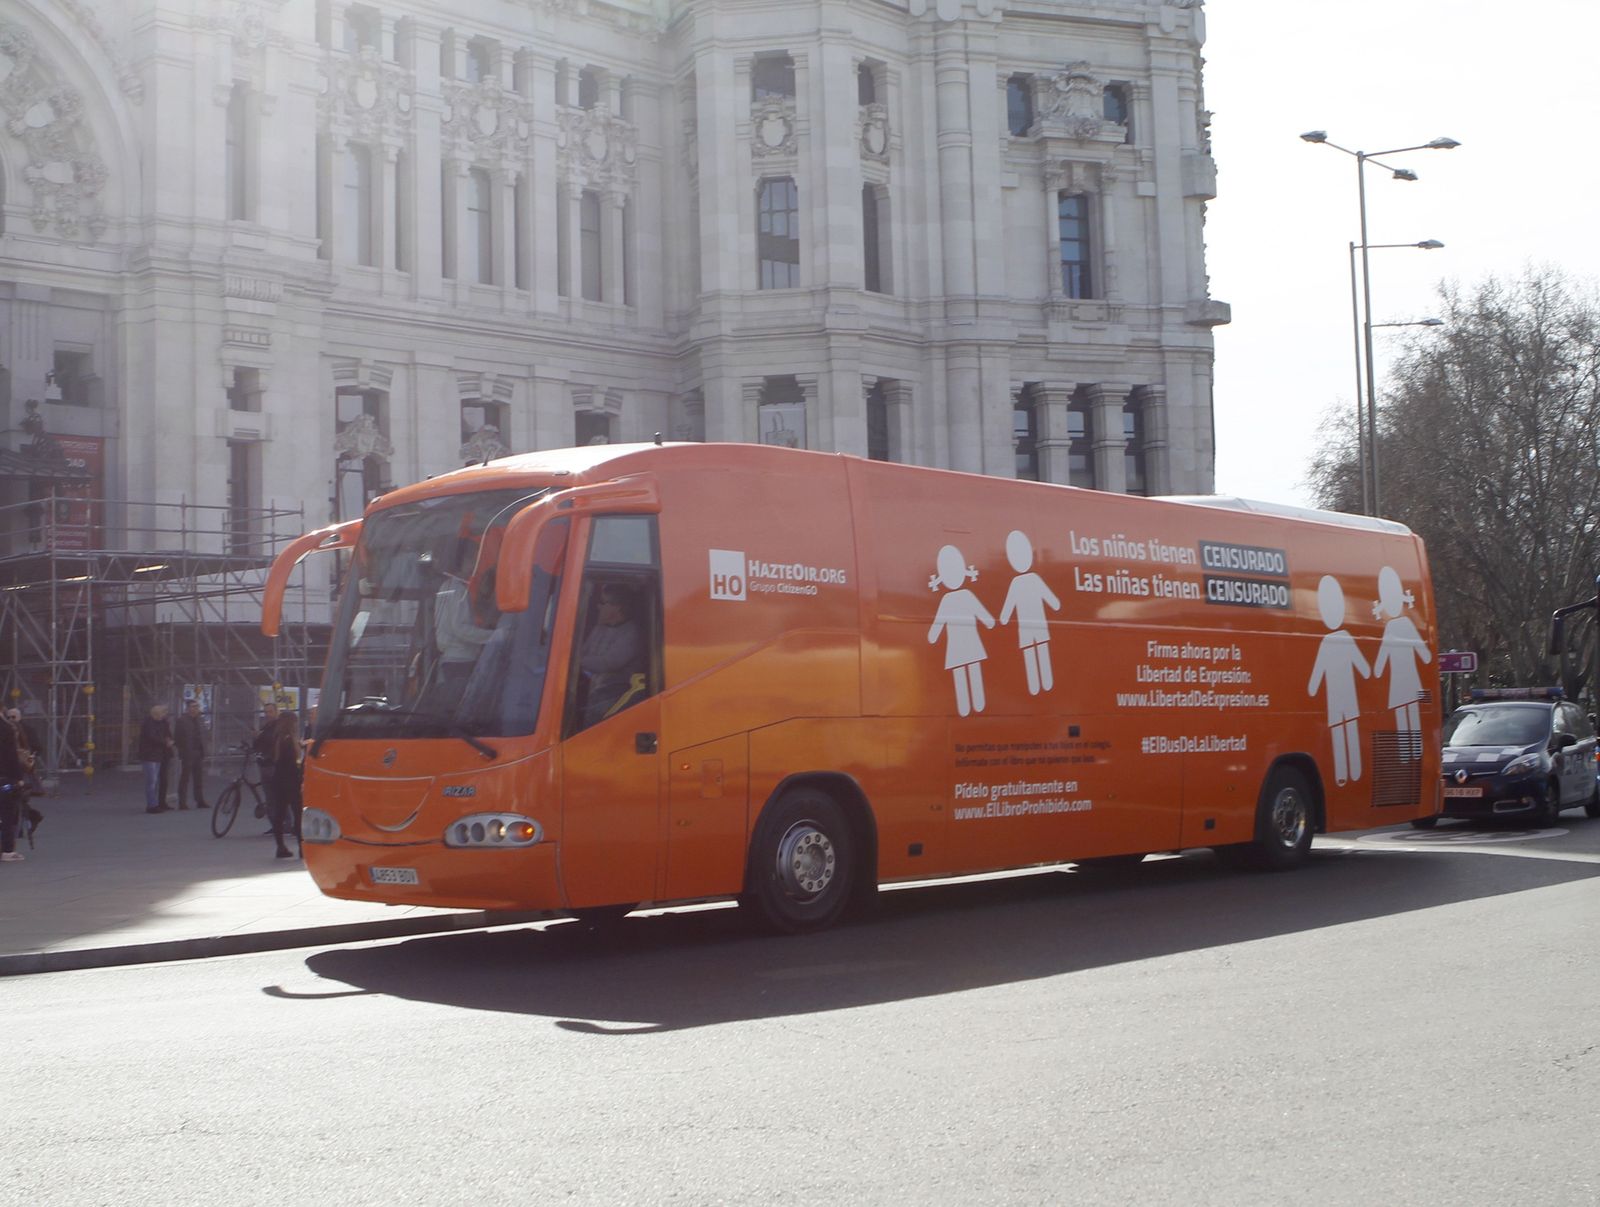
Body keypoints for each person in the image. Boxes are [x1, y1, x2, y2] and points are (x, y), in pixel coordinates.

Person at [577, 584, 645, 727]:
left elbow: (608, 663)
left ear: (618, 607)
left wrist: (575, 662)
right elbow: (582, 653)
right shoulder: (600, 627)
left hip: (615, 695)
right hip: (593, 689)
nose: (598, 607)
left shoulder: (632, 633)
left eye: (602, 603)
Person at [3, 708, 44, 845]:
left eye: (14, 716)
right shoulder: (8, 729)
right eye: (9, 716)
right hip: (15, 769)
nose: (11, 719)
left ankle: (19, 827)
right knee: (17, 800)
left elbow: (37, 746)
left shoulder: (24, 730)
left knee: (17, 799)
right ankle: (29, 819)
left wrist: (31, 756)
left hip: (22, 769)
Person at [266, 710, 303, 860]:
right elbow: (293, 764)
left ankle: (280, 847)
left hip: (278, 780)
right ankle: (302, 847)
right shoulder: (289, 739)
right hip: (291, 781)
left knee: (279, 814)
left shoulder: (278, 737)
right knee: (298, 814)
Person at [137, 703, 175, 814]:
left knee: (156, 780)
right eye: (163, 713)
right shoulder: (148, 723)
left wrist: (169, 740)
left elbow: (167, 734)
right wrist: (165, 742)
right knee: (152, 781)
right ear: (157, 714)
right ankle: (151, 805)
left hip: (159, 754)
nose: (165, 715)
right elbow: (152, 737)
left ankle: (156, 803)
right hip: (150, 755)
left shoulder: (163, 722)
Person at [173, 699, 210, 810]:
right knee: (185, 778)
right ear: (188, 708)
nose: (195, 709)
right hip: (188, 753)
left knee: (198, 778)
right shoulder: (182, 720)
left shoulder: (200, 720)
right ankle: (182, 802)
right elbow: (177, 737)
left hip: (199, 752)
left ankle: (199, 800)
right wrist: (183, 750)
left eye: (197, 707)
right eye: (193, 707)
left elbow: (204, 734)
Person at [0, 712, 27, 862]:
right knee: (7, 813)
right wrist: (18, 778)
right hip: (4, 778)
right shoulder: (6, 728)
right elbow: (11, 756)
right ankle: (7, 850)